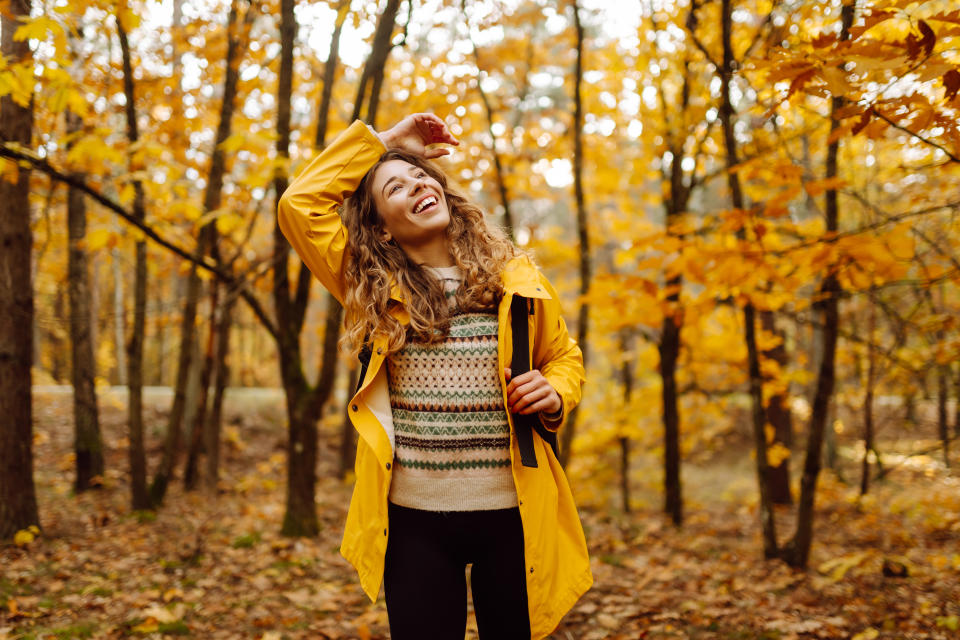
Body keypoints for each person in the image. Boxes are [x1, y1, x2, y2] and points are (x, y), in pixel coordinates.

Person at [277, 113, 591, 640]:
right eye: (394, 187)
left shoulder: (515, 278)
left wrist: (554, 391)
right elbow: (298, 205)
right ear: (379, 224)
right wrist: (385, 143)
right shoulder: (368, 284)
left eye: (420, 174)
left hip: (514, 517)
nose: (417, 183)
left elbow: (564, 358)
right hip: (415, 522)